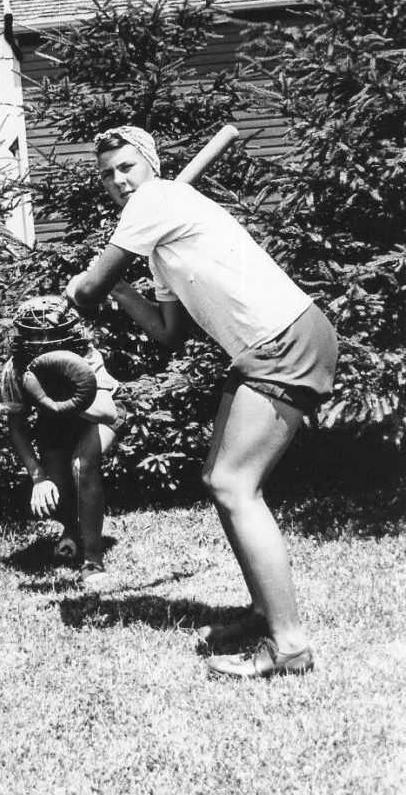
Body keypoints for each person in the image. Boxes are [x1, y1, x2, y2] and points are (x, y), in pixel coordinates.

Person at [65, 125, 338, 677]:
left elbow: (87, 291)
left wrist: (85, 288)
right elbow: (169, 334)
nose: (118, 181)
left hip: (283, 337)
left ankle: (288, 645)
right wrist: (122, 290)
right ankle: (265, 613)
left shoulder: (159, 199)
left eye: (127, 167)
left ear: (151, 165)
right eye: (107, 174)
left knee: (233, 483)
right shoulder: (160, 249)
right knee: (220, 478)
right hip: (266, 345)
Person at [1, 296, 124, 588]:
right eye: (37, 333)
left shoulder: (86, 354)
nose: (45, 340)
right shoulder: (15, 368)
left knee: (82, 464)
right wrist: (38, 476)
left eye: (51, 333)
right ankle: (71, 529)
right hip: (55, 422)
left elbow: (106, 412)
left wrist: (53, 398)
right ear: (25, 335)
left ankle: (93, 561)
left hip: (97, 415)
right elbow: (16, 425)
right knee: (56, 485)